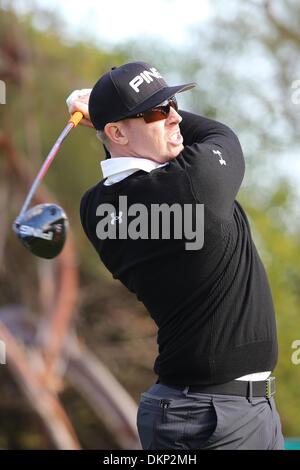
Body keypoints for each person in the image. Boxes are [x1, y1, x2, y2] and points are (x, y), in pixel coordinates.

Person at [66, 61, 284, 450]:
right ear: (116, 131)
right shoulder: (194, 182)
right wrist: (96, 111)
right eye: (157, 110)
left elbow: (134, 163)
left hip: (194, 409)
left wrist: (108, 116)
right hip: (222, 417)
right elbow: (220, 133)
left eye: (172, 104)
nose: (175, 117)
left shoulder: (94, 208)